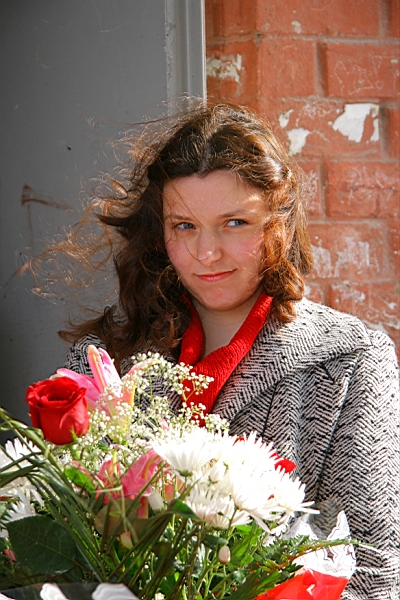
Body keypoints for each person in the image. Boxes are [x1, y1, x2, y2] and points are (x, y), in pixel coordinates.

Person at [63, 103, 399, 599]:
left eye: (235, 222)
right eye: (185, 225)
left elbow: (374, 574)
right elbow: (59, 542)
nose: (207, 253)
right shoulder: (102, 360)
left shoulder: (352, 360)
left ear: (279, 224)